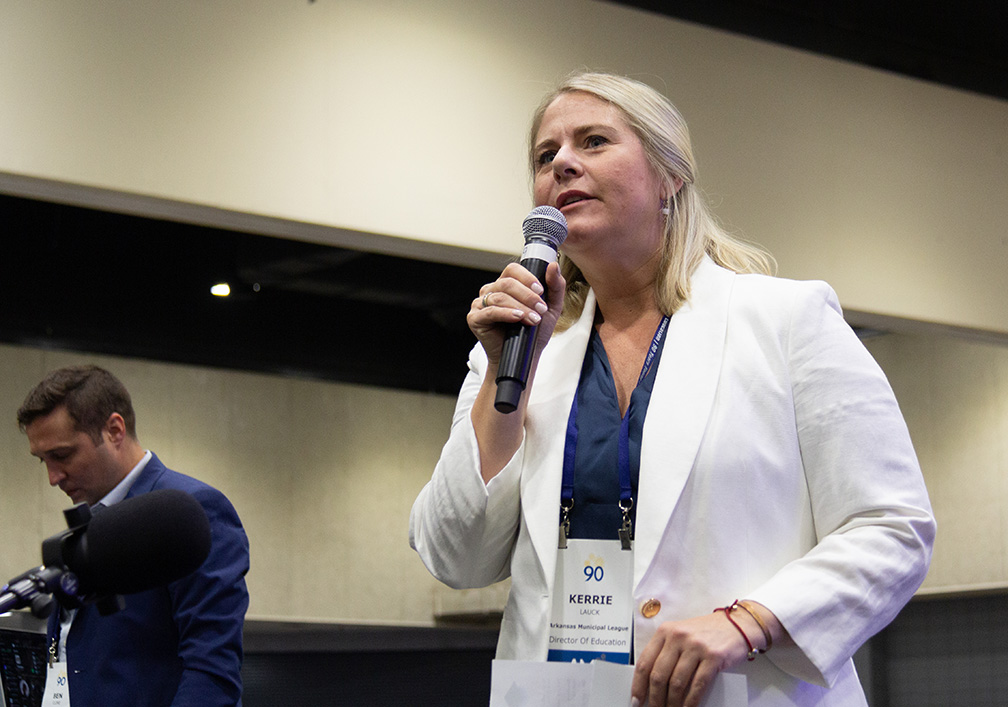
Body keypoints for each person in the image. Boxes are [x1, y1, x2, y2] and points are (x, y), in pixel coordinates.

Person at [410, 71, 935, 706]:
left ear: (670, 177)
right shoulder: (519, 352)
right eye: (546, 156)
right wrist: (502, 374)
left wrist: (752, 620)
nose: (563, 164)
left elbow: (893, 526)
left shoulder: (784, 322)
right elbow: (454, 557)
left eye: (595, 141)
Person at [17, 365, 250, 707]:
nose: (53, 477)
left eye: (62, 455)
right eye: (43, 461)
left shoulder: (191, 512)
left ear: (114, 430)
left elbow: (211, 672)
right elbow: (62, 650)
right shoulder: (86, 526)